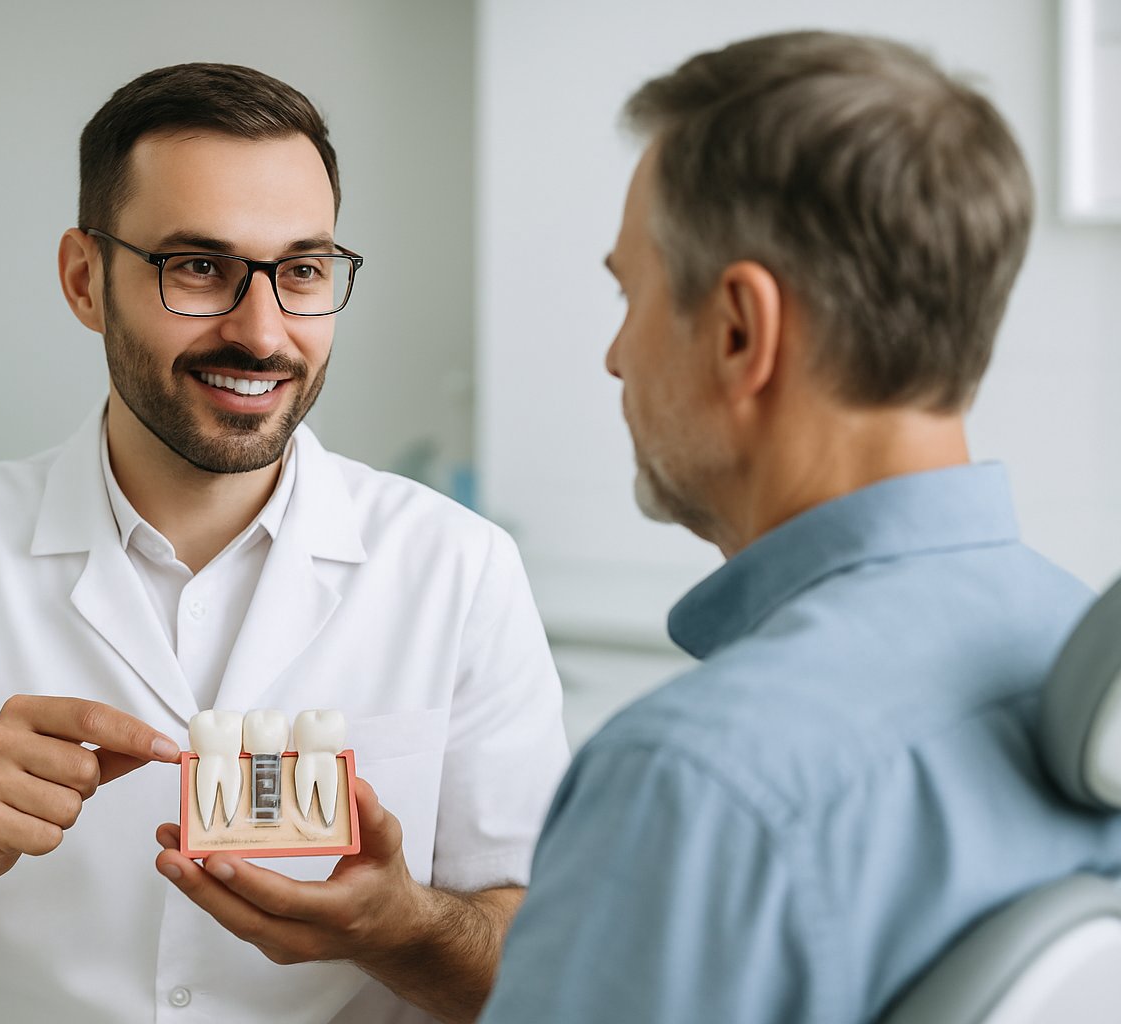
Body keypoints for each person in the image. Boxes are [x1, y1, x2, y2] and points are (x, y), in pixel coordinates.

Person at [0, 63, 568, 1024]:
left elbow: (564, 977)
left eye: (301, 271)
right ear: (87, 281)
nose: (263, 333)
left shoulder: (458, 570)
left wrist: (403, 927)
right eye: (198, 267)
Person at [478, 30, 1121, 1024]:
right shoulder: (1080, 664)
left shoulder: (697, 785)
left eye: (629, 292)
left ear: (741, 330)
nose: (614, 356)